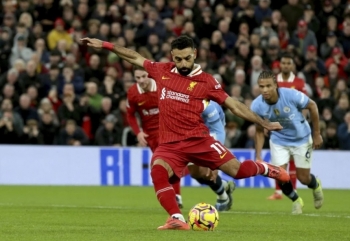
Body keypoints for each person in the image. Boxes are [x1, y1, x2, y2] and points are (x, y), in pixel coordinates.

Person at [80, 36, 289, 230]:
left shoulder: (206, 81)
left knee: (239, 172)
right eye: (178, 59)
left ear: (195, 54)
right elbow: (134, 56)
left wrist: (264, 123)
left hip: (199, 140)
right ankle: (176, 218)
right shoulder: (162, 71)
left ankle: (266, 168)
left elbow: (233, 104)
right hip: (170, 145)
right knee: (157, 171)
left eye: (187, 58)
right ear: (172, 56)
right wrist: (106, 45)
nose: (183, 64)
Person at [126, 66, 235, 211]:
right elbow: (130, 114)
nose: (141, 81)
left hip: (194, 132)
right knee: (196, 172)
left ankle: (181, 196)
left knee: (195, 169)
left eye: (144, 76)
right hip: (166, 134)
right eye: (137, 78)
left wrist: (217, 156)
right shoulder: (134, 93)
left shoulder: (205, 103)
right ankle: (223, 189)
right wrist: (138, 132)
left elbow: (218, 128)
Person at [251, 70, 324, 214]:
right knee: (280, 176)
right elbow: (259, 131)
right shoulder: (257, 105)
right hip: (279, 141)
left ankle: (316, 186)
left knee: (303, 178)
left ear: (275, 85)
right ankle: (296, 200)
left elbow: (313, 106)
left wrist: (317, 134)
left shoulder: (290, 95)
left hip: (301, 138)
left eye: (268, 86)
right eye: (261, 86)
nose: (264, 90)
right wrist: (258, 156)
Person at [267, 53, 308, 200]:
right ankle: (278, 192)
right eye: (283, 63)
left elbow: (304, 104)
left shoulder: (299, 82)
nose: (285, 66)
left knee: (293, 160)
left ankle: (293, 190)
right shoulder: (272, 81)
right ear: (280, 64)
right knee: (279, 161)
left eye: (288, 63)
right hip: (277, 126)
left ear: (292, 65)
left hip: (294, 126)